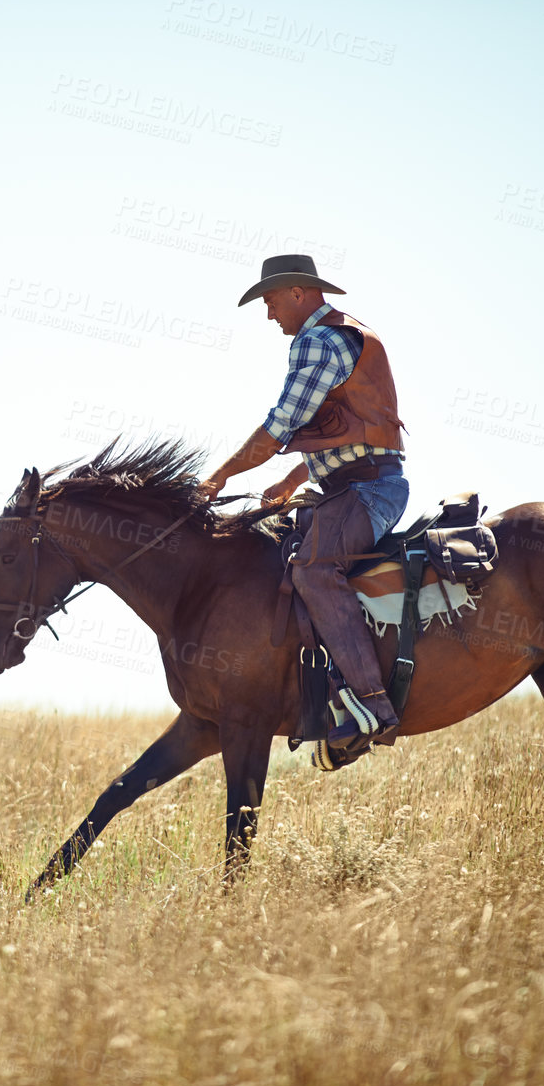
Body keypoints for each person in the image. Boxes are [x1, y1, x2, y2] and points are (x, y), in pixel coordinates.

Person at [196, 254, 409, 753]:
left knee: (313, 571)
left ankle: (373, 706)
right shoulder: (343, 333)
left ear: (297, 292)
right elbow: (343, 428)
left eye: (270, 301)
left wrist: (217, 479)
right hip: (356, 483)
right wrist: (297, 477)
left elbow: (279, 427)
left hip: (366, 490)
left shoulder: (319, 341)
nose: (269, 315)